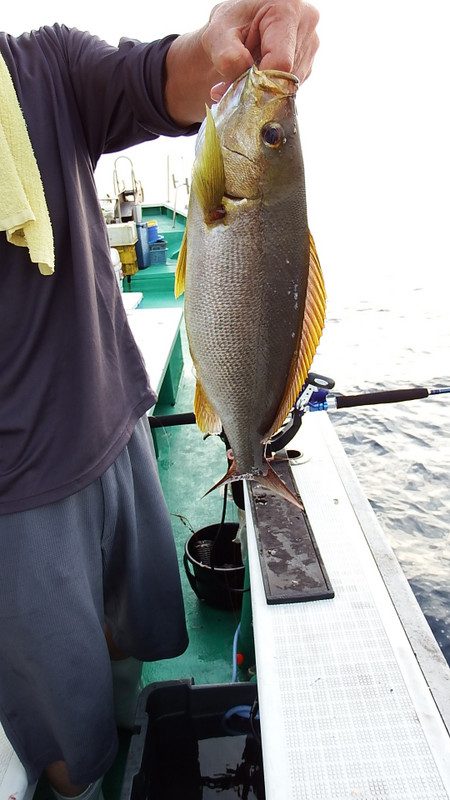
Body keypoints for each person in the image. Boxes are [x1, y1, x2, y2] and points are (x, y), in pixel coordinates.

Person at [0, 1, 319, 798]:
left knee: (128, 632)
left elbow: (158, 78)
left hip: (119, 425)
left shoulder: (41, 69)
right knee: (64, 730)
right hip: (14, 497)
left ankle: (131, 727)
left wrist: (228, 46)